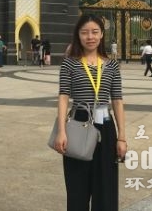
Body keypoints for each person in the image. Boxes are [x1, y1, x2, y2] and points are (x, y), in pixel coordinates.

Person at [53, 14, 126, 211]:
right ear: (78, 35)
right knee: (77, 187)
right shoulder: (70, 63)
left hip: (105, 125)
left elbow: (117, 100)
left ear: (102, 34)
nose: (90, 37)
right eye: (85, 32)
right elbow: (63, 96)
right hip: (78, 122)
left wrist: (122, 137)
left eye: (95, 32)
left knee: (106, 187)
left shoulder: (112, 65)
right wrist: (61, 131)